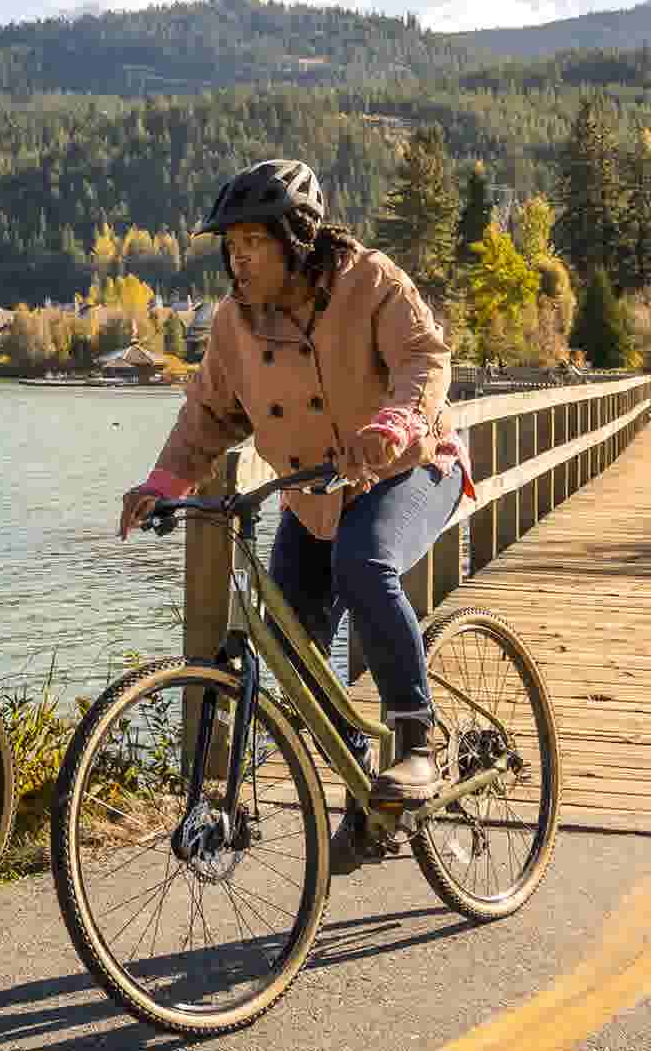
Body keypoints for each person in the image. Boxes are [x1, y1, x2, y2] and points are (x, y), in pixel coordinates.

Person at [118, 159, 479, 874]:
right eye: (231, 244)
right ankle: (363, 801)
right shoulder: (233, 324)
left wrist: (395, 423)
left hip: (411, 465)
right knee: (297, 651)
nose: (238, 256)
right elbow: (209, 415)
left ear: (298, 237)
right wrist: (162, 481)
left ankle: (416, 745)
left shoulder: (369, 282)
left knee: (364, 563)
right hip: (313, 494)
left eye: (254, 240)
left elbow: (424, 358)